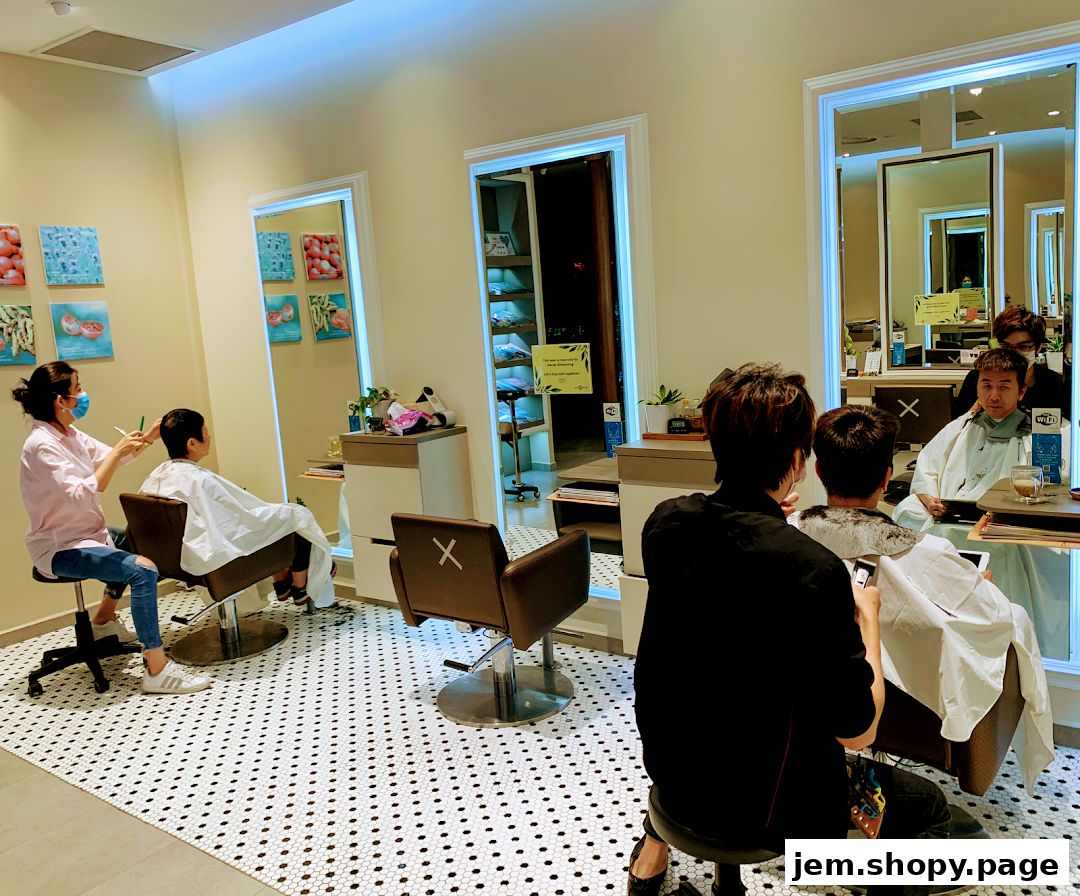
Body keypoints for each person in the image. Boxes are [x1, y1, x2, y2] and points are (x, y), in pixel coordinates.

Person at [628, 363, 949, 896]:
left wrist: (769, 518)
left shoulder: (666, 522)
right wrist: (866, 619)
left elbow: (729, 572)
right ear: (800, 461)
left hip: (672, 773)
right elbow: (858, 731)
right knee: (930, 808)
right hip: (768, 807)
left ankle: (652, 849)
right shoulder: (810, 568)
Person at [792, 405, 1054, 791]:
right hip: (912, 719)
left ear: (818, 471)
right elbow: (995, 621)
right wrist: (982, 588)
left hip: (808, 704)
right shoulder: (928, 553)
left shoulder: (787, 535)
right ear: (886, 477)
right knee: (1012, 618)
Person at [14, 361, 211, 695]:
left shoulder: (69, 434)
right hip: (60, 548)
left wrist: (146, 440)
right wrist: (118, 451)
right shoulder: (41, 445)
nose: (82, 394)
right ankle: (157, 668)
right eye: (77, 389)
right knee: (143, 570)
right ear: (61, 400)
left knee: (140, 539)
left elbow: (112, 458)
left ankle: (104, 621)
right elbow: (82, 493)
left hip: (89, 535)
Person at [893, 348, 1071, 659]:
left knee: (1007, 544)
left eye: (1004, 386)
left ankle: (1010, 638)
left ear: (1022, 390)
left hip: (1005, 526)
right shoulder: (962, 427)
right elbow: (927, 468)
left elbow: (1054, 484)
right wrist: (927, 496)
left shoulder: (1039, 434)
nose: (994, 396)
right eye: (986, 385)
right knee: (906, 513)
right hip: (951, 518)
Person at [140, 409, 335, 608]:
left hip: (173, 561)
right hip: (217, 563)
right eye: (205, 430)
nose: (209, 435)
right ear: (192, 443)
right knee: (298, 516)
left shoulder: (158, 475)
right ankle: (299, 586)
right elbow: (240, 523)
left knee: (286, 516)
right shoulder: (200, 480)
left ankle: (283, 580)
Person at [954, 306, 1068, 420]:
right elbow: (958, 428)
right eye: (1006, 347)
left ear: (1038, 348)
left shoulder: (1056, 385)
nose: (1014, 354)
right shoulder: (978, 379)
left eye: (1023, 347)